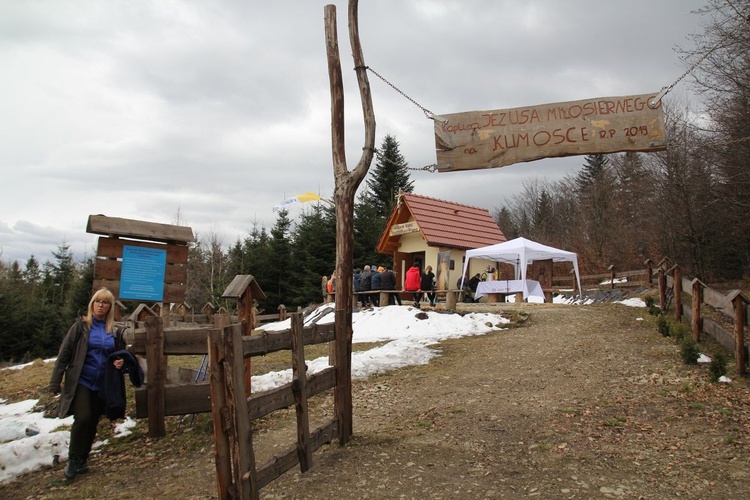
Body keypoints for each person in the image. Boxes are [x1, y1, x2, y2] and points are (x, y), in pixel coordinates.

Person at [49, 288, 128, 480]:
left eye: (105, 302)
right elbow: (64, 355)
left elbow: (120, 356)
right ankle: (73, 460)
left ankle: (82, 460)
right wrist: (54, 383)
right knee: (83, 417)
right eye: (97, 301)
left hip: (102, 383)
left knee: (92, 421)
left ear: (110, 307)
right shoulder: (81, 327)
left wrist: (120, 362)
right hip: (82, 381)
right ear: (92, 304)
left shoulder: (114, 331)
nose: (100, 305)